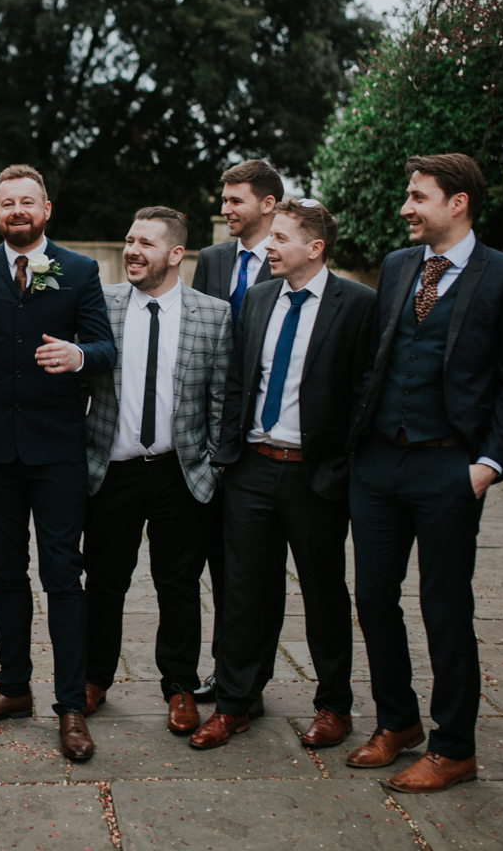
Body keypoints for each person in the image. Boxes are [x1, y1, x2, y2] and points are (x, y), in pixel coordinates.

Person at [345, 153, 503, 794]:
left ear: (457, 203)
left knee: (445, 608)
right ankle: (398, 722)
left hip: (449, 464)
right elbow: (379, 359)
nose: (406, 207)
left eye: (417, 196)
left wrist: (487, 464)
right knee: (372, 596)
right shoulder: (400, 267)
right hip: (378, 461)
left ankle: (455, 748)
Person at [0, 164, 115, 761]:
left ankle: (69, 707)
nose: (17, 210)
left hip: (58, 449)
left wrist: (79, 355)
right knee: (5, 574)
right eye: (7, 202)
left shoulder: (80, 271)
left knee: (63, 576)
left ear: (46, 209)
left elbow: (106, 349)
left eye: (27, 201)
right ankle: (13, 689)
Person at [190, 198, 375, 754]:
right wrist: (227, 458)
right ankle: (235, 703)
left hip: (315, 476)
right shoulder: (259, 298)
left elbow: (364, 394)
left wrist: (344, 470)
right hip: (252, 469)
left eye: (281, 239)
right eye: (270, 237)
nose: (268, 247)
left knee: (323, 593)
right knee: (244, 591)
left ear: (314, 248)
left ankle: (333, 705)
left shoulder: (357, 305)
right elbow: (241, 380)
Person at [82, 207, 232, 734]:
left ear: (175, 254)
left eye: (145, 243)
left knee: (179, 585)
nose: (131, 251)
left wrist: (210, 468)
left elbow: (220, 401)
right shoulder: (100, 305)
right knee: (103, 581)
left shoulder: (213, 315)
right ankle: (94, 678)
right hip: (112, 470)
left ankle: (180, 687)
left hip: (180, 472)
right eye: (128, 240)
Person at [187, 159, 282, 707]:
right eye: (223, 200)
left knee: (258, 571)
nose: (225, 209)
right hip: (214, 431)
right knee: (222, 562)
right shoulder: (216, 259)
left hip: (268, 433)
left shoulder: (290, 256)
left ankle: (253, 677)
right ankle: (228, 672)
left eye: (235, 200)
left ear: (267, 204)